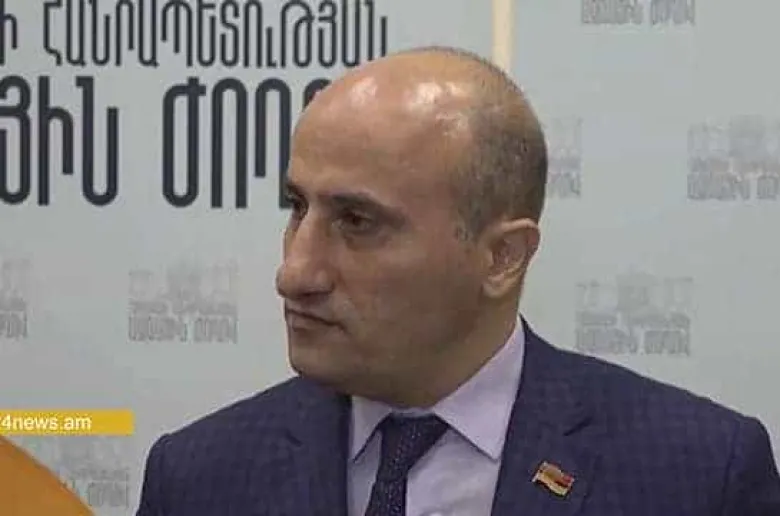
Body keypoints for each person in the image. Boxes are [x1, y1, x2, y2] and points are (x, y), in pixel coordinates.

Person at [135, 46, 780, 516]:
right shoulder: (198, 478)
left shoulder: (697, 475)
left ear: (501, 258)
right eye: (297, 207)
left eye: (357, 221)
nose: (294, 272)